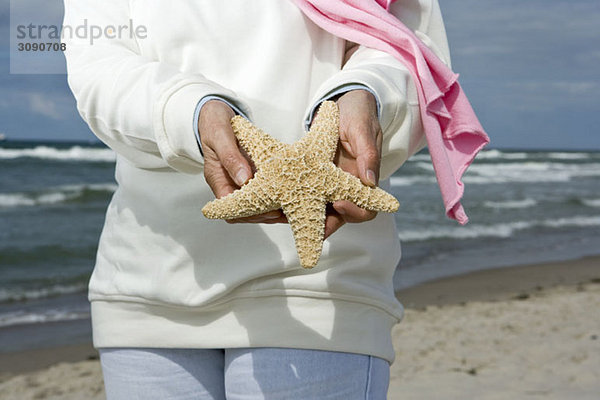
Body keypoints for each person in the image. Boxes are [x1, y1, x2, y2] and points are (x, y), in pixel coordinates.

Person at [62, 0, 453, 398]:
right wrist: (191, 113)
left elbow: (410, 45)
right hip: (148, 283)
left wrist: (365, 91)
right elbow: (97, 67)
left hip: (322, 289)